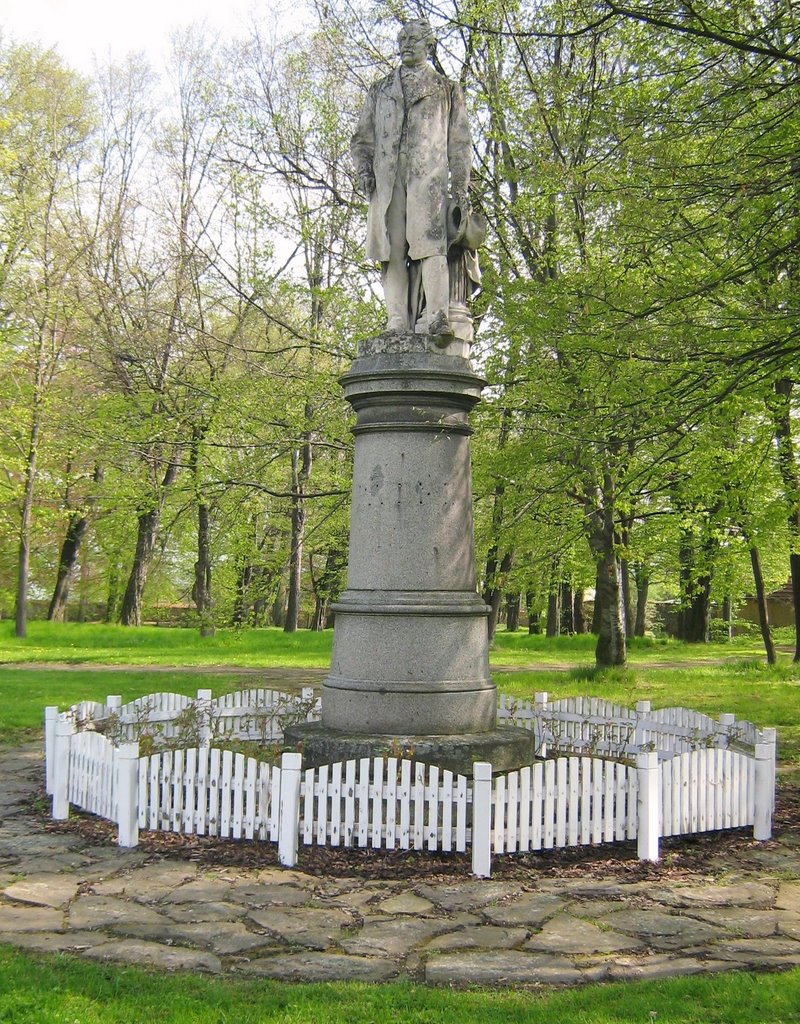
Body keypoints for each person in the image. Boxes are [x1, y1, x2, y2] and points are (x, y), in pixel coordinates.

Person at [350, 18, 472, 337]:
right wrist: (364, 170)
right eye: (402, 38)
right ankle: (396, 321)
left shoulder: (446, 90)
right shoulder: (379, 90)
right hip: (387, 182)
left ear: (429, 46)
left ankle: (437, 317)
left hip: (427, 180)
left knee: (431, 247)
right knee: (391, 251)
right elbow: (363, 139)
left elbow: (459, 144)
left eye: (413, 39)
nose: (405, 44)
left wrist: (459, 189)